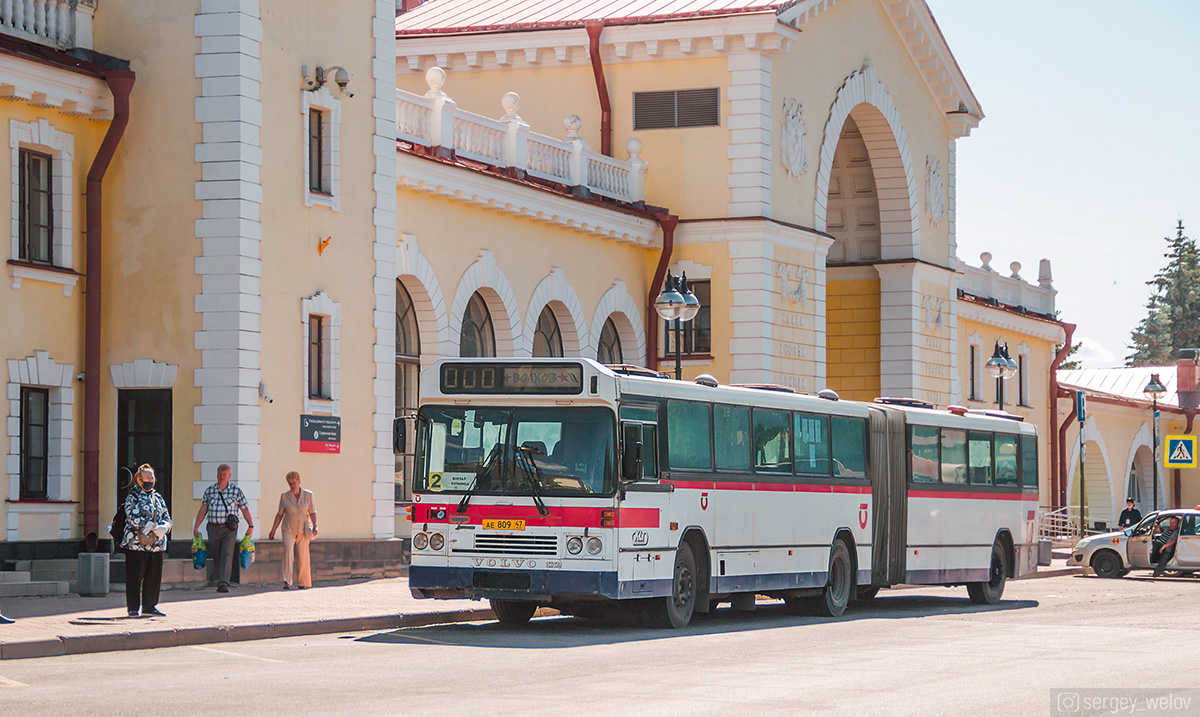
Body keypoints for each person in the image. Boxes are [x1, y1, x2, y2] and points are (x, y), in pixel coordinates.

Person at [192, 464, 254, 593]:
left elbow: (244, 508)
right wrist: (196, 526)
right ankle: (220, 576)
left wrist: (251, 525)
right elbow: (203, 509)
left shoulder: (236, 491)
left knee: (227, 553)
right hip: (213, 527)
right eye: (219, 474)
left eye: (224, 474)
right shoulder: (210, 491)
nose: (221, 477)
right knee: (216, 553)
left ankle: (223, 582)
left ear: (229, 476)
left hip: (229, 529)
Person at [122, 464, 171, 616]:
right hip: (136, 544)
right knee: (135, 577)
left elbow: (166, 516)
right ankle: (133, 607)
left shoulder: (158, 497)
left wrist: (165, 526)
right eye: (147, 477)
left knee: (153, 577)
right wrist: (149, 526)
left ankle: (150, 606)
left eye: (152, 477)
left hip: (157, 544)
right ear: (139, 479)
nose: (151, 480)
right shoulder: (133, 496)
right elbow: (132, 516)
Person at [268, 471, 319, 590]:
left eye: (294, 482)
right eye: (290, 483)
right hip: (288, 528)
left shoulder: (308, 495)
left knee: (303, 554)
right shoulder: (285, 497)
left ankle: (303, 582)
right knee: (288, 552)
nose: (292, 485)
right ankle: (287, 581)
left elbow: (312, 512)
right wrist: (273, 530)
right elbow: (279, 514)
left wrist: (315, 526)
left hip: (303, 528)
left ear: (299, 482)